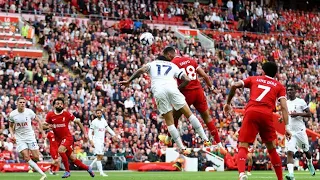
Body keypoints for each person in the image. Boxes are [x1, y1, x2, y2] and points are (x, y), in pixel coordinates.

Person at [120, 46, 210, 154]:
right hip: (172, 88)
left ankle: (182, 148)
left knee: (169, 122)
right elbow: (187, 79)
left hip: (159, 91)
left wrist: (129, 81)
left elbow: (140, 70)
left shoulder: (152, 64)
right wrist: (178, 89)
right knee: (190, 115)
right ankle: (206, 139)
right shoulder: (172, 65)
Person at [223, 61, 291, 180]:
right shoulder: (279, 86)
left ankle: (242, 174)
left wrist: (228, 104)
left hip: (251, 112)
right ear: (275, 74)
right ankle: (280, 178)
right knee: (271, 149)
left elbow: (234, 85)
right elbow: (284, 107)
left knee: (243, 145)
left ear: (263, 71)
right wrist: (287, 127)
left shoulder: (254, 79)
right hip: (267, 115)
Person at [159, 54, 226, 154]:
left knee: (174, 117)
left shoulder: (173, 63)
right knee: (207, 118)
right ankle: (220, 145)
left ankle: (168, 138)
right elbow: (205, 75)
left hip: (186, 93)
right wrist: (212, 88)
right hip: (198, 92)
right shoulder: (191, 60)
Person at [43, 98, 95, 178]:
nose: (59, 105)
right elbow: (43, 127)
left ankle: (67, 171)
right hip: (59, 140)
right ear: (54, 106)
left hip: (68, 138)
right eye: (57, 103)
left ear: (63, 105)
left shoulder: (66, 114)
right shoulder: (50, 115)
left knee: (60, 150)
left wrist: (85, 133)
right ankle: (88, 168)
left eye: (61, 103)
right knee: (73, 158)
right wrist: (48, 126)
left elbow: (78, 121)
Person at [8, 97, 47, 180]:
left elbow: (39, 121)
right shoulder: (12, 114)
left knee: (36, 157)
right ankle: (43, 174)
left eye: (23, 102)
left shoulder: (29, 112)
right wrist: (12, 135)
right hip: (19, 138)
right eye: (20, 102)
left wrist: (42, 132)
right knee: (26, 157)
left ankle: (32, 164)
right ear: (17, 103)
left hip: (30, 136)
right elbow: (10, 127)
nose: (22, 104)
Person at [285, 84, 315, 180]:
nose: (289, 92)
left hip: (300, 131)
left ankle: (309, 163)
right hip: (290, 131)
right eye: (288, 90)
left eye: (291, 90)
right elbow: (286, 114)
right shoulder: (285, 102)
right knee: (289, 152)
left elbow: (309, 114)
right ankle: (291, 174)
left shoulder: (301, 102)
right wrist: (282, 119)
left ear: (295, 91)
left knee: (306, 152)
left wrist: (297, 114)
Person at [89, 109, 121, 176]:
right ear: (96, 114)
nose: (99, 114)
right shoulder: (94, 122)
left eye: (100, 113)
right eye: (97, 113)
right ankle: (101, 172)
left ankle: (90, 167)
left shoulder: (103, 121)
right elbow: (90, 132)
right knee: (99, 155)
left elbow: (108, 128)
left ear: (101, 113)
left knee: (100, 156)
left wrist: (114, 134)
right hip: (96, 140)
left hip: (102, 141)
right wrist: (91, 140)